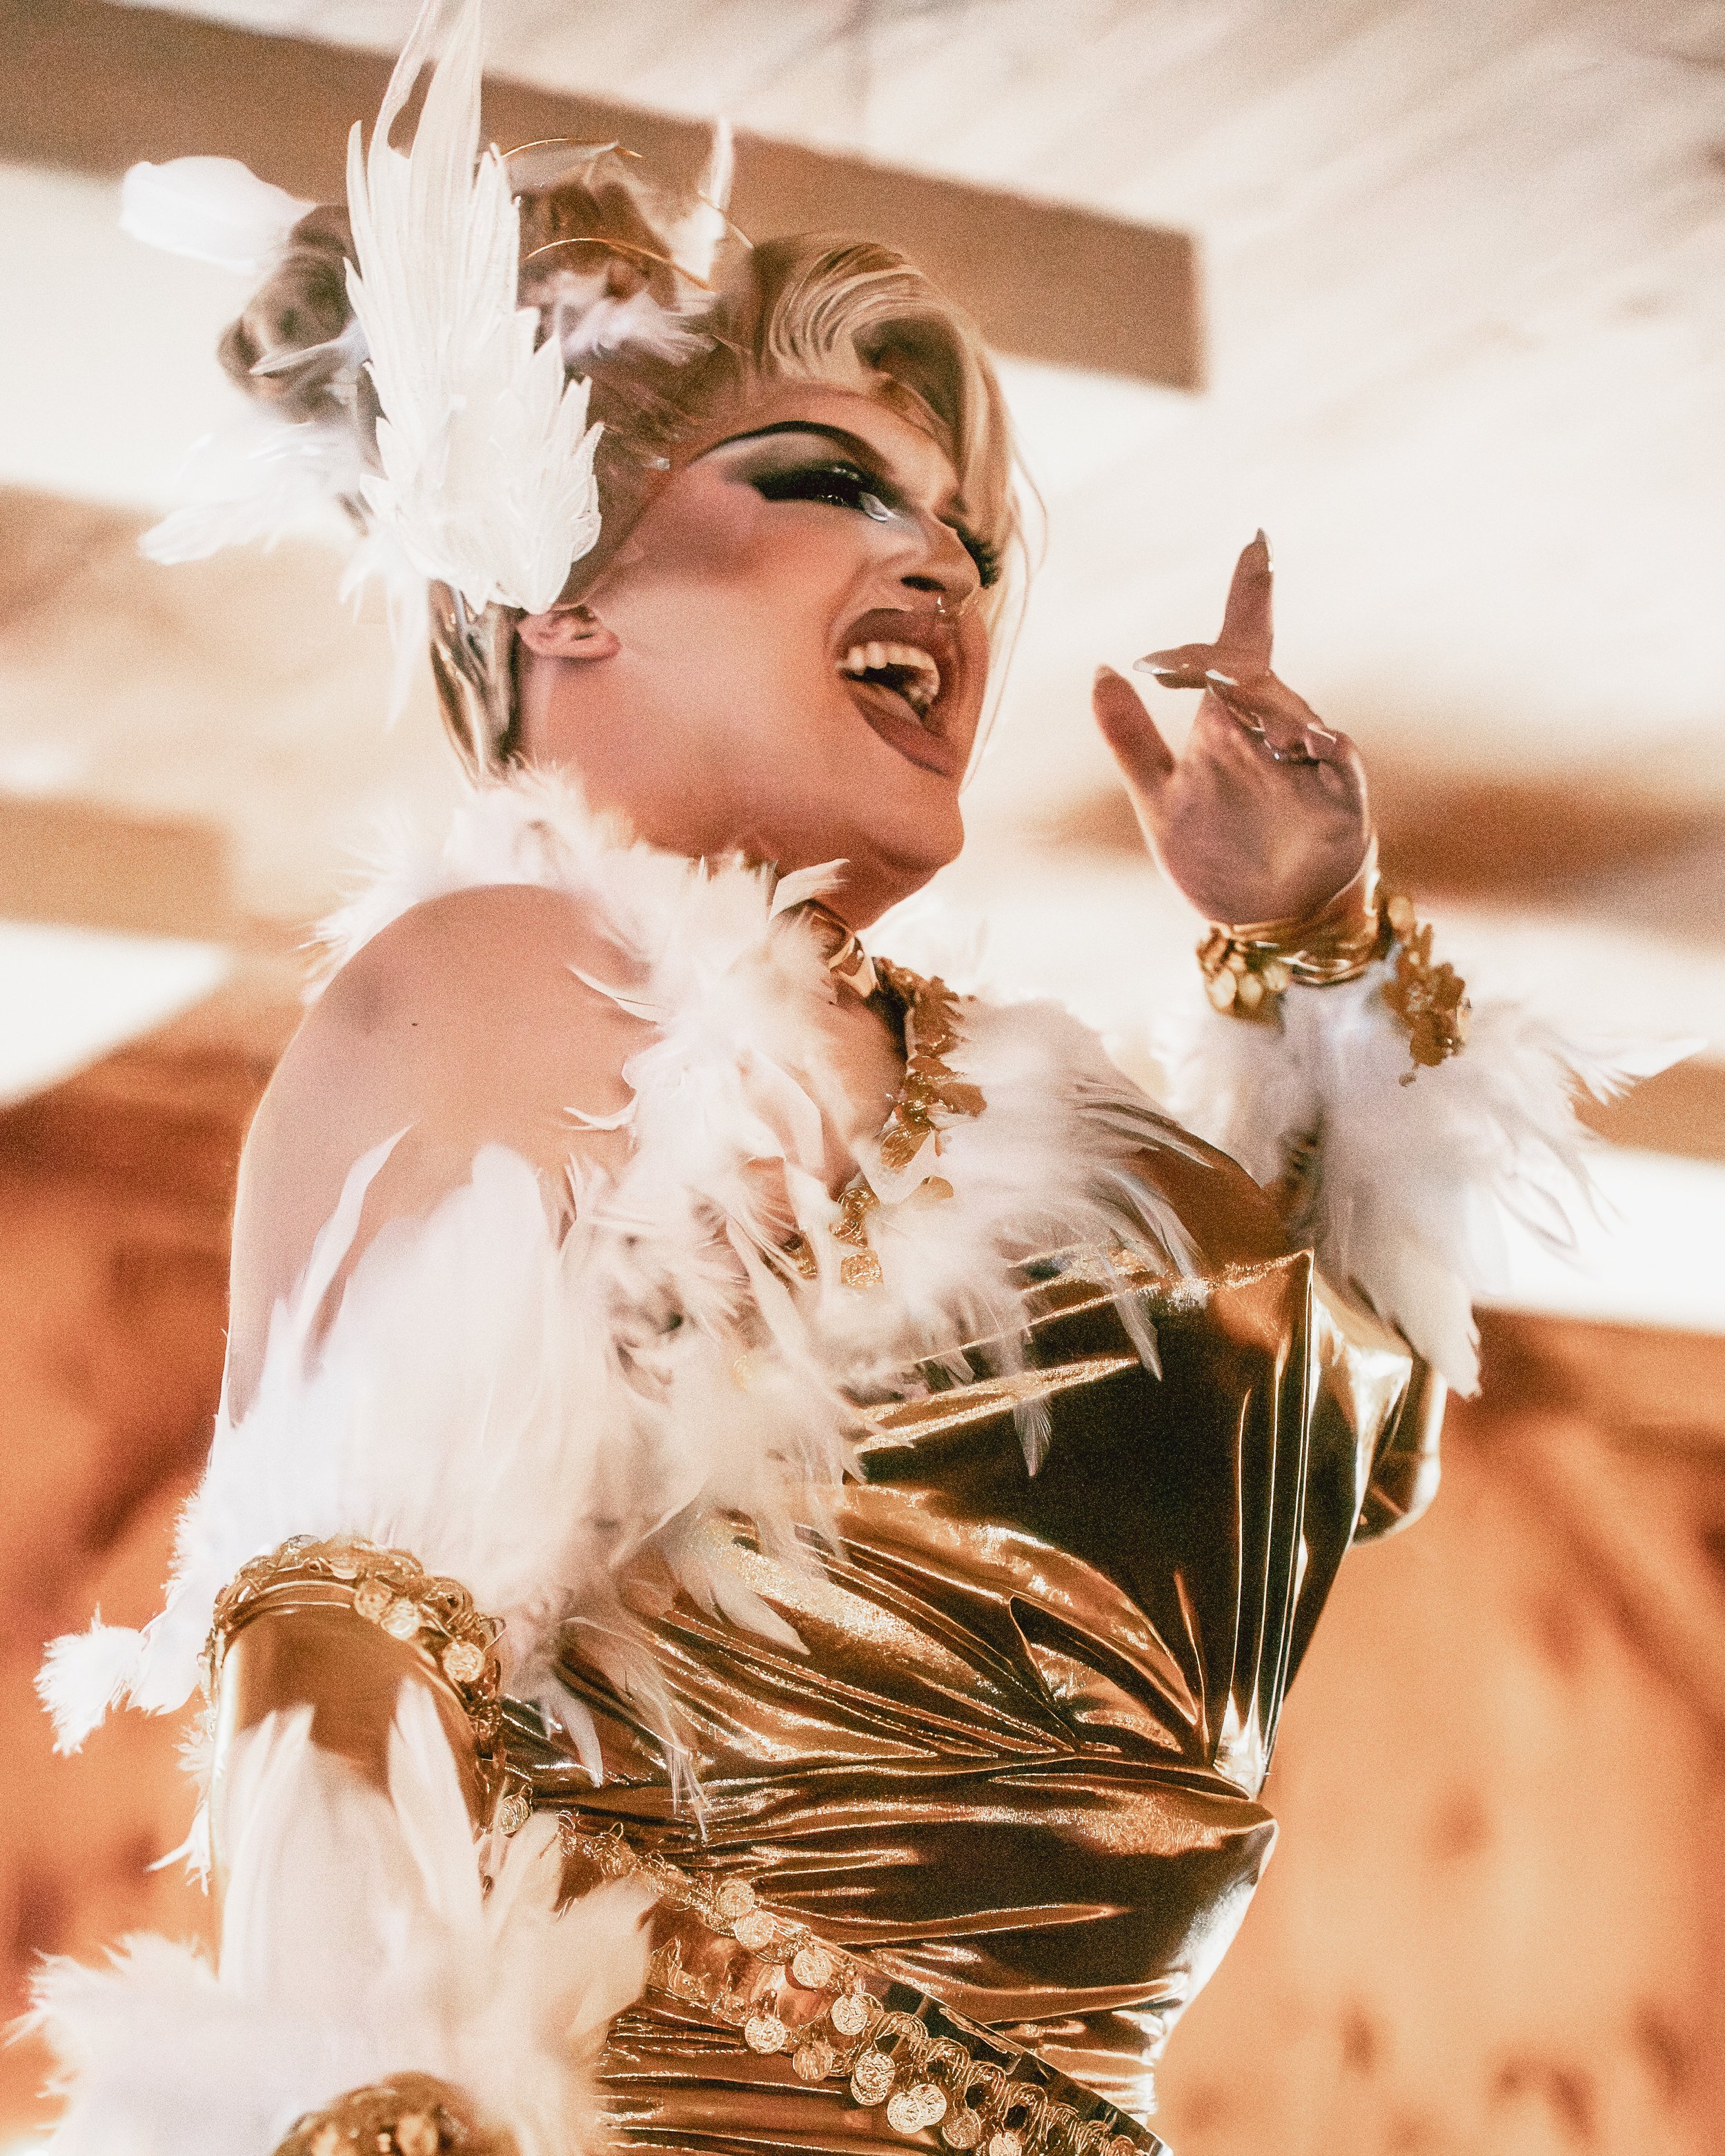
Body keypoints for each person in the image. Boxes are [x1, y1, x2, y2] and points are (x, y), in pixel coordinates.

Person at [30, 8, 1626, 2155]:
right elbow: (340, 1630)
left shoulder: (1039, 1111)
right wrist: (372, 2104)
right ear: (562, 597)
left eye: (968, 534)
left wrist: (1307, 958)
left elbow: (1342, 1445)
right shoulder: (513, 976)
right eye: (823, 482)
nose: (944, 563)